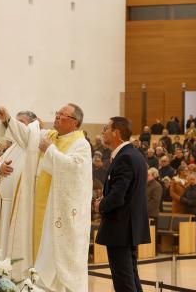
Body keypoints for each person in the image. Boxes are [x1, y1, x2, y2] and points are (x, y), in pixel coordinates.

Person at [34, 103, 92, 292]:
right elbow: (29, 135)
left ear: (75, 122)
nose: (57, 116)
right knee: (47, 253)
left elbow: (74, 169)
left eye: (62, 115)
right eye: (57, 113)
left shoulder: (81, 144)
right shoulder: (52, 136)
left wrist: (50, 150)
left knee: (63, 258)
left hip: (66, 213)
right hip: (50, 204)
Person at [95, 117, 149, 292]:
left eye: (106, 128)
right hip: (128, 227)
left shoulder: (125, 157)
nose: (103, 131)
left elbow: (119, 195)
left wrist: (101, 205)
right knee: (130, 276)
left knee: (123, 281)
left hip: (121, 227)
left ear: (116, 132)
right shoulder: (133, 154)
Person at [0, 107, 41, 278]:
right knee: (3, 243)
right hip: (5, 204)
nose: (14, 127)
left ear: (32, 125)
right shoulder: (14, 146)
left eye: (20, 123)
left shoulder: (33, 144)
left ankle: (15, 275)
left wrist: (8, 119)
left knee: (14, 243)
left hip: (19, 205)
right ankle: (2, 272)